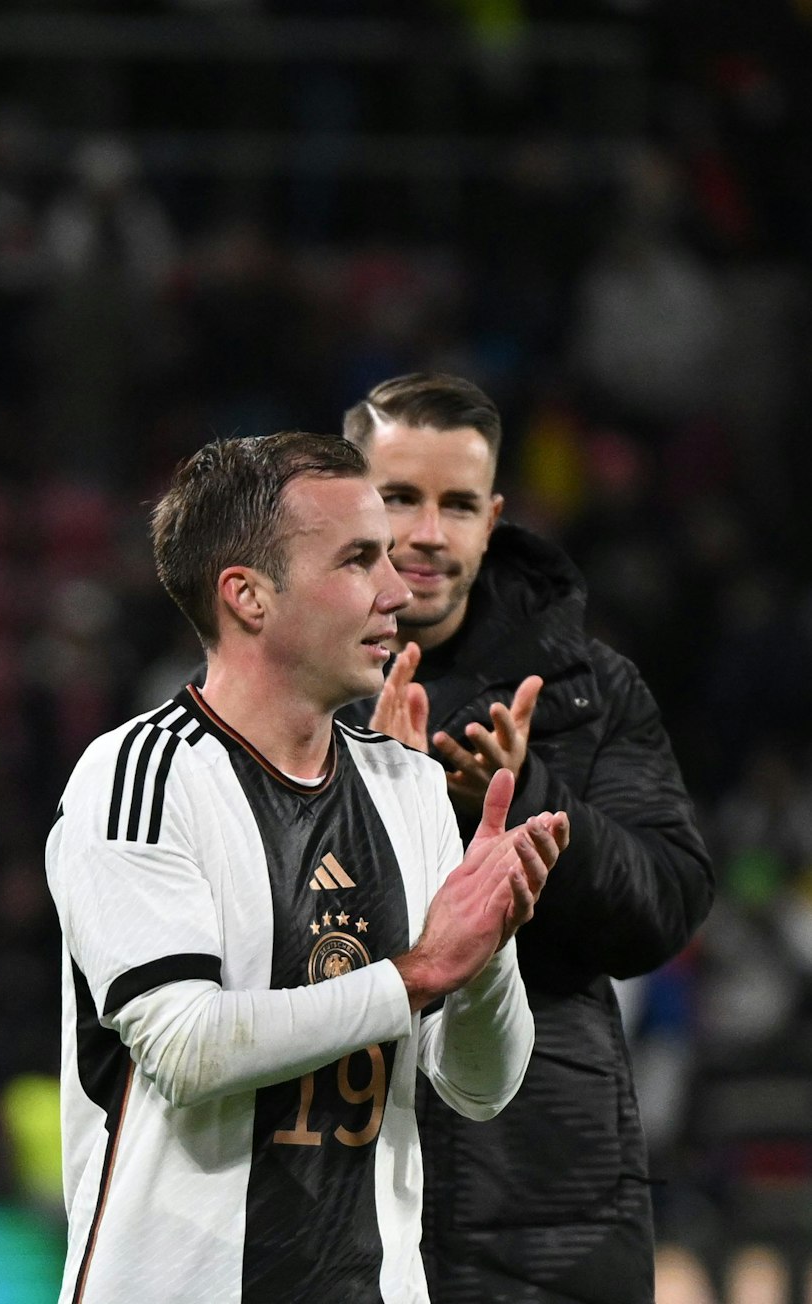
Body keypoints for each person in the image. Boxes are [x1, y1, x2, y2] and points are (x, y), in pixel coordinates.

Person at [46, 431, 570, 1303]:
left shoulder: (406, 787)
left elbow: (480, 1088)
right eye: (359, 560)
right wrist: (420, 971)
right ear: (247, 596)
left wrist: (489, 947)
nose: (399, 592)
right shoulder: (138, 776)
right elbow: (182, 1044)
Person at [341, 374, 713, 1304]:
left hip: (551, 1203)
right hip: (339, 1195)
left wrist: (524, 801)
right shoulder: (282, 683)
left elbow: (667, 902)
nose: (428, 532)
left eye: (458, 503)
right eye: (399, 498)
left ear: (494, 514)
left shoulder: (590, 689)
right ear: (347, 497)